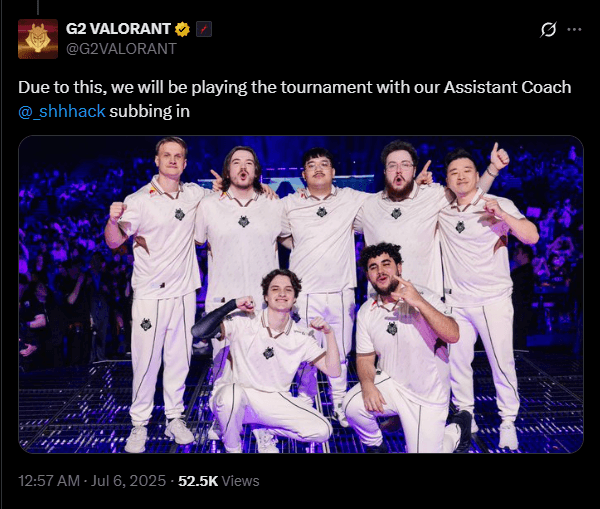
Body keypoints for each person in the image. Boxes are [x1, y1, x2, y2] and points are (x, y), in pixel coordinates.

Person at [353, 139, 507, 433]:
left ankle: (450, 420)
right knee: (392, 360)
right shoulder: (367, 205)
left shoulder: (433, 195)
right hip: (385, 302)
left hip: (427, 301)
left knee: (436, 365)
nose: (399, 171)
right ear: (384, 171)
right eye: (392, 166)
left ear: (414, 170)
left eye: (405, 165)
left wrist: (492, 170)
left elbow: (470, 194)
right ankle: (400, 412)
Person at [104, 136, 212, 453]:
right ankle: (139, 423)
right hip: (150, 295)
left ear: (185, 163)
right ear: (157, 160)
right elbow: (114, 242)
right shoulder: (138, 200)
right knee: (146, 361)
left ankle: (174, 418)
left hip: (184, 293)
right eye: (167, 155)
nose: (173, 160)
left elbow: (223, 196)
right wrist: (112, 220)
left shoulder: (194, 193)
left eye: (178, 156)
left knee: (180, 359)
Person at [437, 147, 539, 451]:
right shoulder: (442, 209)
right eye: (454, 172)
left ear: (476, 173)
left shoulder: (497, 203)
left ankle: (507, 422)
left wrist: (503, 216)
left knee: (502, 363)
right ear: (447, 180)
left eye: (467, 170)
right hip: (457, 302)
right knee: (458, 364)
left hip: (493, 300)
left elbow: (531, 236)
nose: (461, 177)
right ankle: (466, 417)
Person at [190, 269, 341, 453]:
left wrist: (329, 333)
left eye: (288, 290)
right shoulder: (245, 320)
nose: (282, 293)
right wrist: (232, 304)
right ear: (266, 297)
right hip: (238, 395)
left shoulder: (301, 336)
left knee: (323, 430)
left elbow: (334, 371)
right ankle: (233, 447)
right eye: (275, 289)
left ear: (294, 298)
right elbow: (198, 331)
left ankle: (263, 428)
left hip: (274, 400)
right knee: (231, 397)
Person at [194, 145, 284, 450]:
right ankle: (222, 420)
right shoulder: (208, 206)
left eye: (249, 163)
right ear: (228, 170)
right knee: (223, 369)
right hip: (223, 301)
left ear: (257, 171)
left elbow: (289, 238)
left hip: (262, 303)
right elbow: (195, 240)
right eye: (236, 162)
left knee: (264, 369)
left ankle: (264, 430)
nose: (243, 167)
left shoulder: (273, 205)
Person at [342, 243, 470, 453]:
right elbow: (365, 358)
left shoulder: (425, 296)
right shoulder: (366, 311)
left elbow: (453, 335)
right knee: (351, 406)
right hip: (391, 384)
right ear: (368, 275)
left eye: (386, 264)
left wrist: (418, 302)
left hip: (427, 394)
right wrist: (367, 384)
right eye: (373, 267)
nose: (380, 271)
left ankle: (456, 431)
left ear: (399, 267)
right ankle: (376, 447)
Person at [279, 147, 370, 426]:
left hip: (341, 291)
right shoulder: (289, 203)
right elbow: (282, 236)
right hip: (305, 293)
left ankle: (339, 402)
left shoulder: (352, 198)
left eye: (324, 164)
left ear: (333, 171)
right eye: (312, 165)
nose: (318, 169)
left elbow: (388, 201)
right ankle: (306, 402)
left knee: (340, 352)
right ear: (303, 174)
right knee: (306, 351)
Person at [511, 243, 535, 350]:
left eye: (517, 253)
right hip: (521, 311)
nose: (514, 255)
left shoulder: (522, 273)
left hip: (518, 311)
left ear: (525, 255)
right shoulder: (525, 272)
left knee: (517, 338)